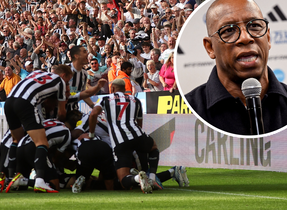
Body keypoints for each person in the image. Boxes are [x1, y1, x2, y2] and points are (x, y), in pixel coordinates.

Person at [185, 0, 287, 135]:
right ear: (210, 48)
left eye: (255, 25)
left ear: (268, 38)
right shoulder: (187, 111)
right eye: (228, 30)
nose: (245, 37)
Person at [3, 64, 73, 193]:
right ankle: (40, 181)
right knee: (41, 142)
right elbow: (62, 113)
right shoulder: (60, 81)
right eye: (68, 80)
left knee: (16, 140)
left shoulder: (37, 74)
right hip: (26, 102)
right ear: (63, 76)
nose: (67, 84)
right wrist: (58, 121)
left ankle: (9, 177)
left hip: (9, 101)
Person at [89, 79, 162, 194]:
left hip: (119, 141)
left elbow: (93, 114)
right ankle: (151, 178)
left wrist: (91, 135)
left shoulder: (105, 99)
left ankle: (137, 178)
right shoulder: (135, 100)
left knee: (123, 179)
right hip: (136, 134)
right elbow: (139, 123)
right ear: (124, 88)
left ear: (112, 88)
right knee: (153, 147)